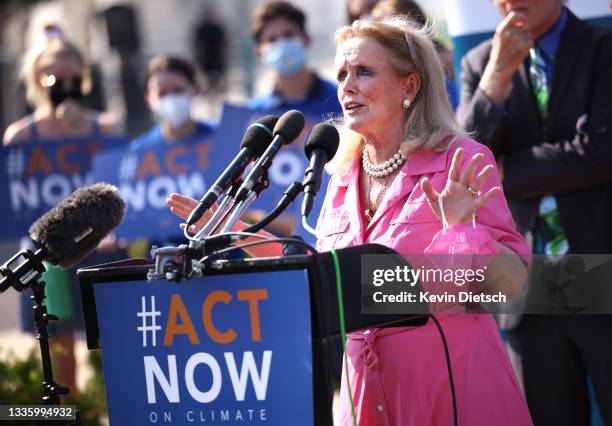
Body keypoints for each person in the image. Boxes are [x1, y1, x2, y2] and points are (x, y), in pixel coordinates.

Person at [168, 16, 534, 425]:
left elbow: (512, 285)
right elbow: (324, 274)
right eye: (342, 74)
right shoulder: (341, 175)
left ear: (409, 86)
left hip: (450, 389)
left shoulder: (459, 160)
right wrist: (234, 236)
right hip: (365, 395)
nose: (347, 86)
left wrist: (463, 232)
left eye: (364, 72)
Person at [457, 0, 612, 424]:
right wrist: (497, 76)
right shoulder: (479, 63)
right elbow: (465, 163)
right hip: (526, 283)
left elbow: (600, 152)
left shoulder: (603, 46)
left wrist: (507, 169)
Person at [3, 29, 123, 393]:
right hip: (49, 261)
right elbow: (16, 204)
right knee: (59, 348)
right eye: (54, 77)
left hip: (99, 250)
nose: (64, 85)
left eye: (73, 77)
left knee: (113, 344)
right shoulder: (20, 137)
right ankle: (73, 416)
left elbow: (118, 192)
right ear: (38, 80)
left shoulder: (107, 127)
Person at [249, 1, 342, 121]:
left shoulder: (340, 100)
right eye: (272, 40)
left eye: (288, 35)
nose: (282, 44)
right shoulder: (254, 114)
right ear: (259, 53)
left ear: (306, 40)